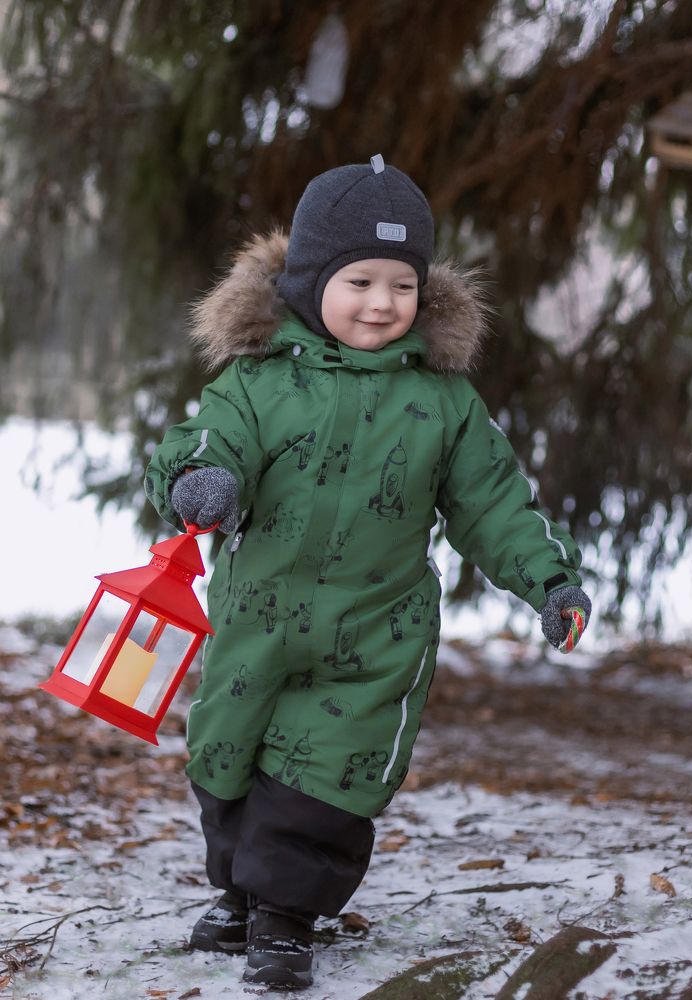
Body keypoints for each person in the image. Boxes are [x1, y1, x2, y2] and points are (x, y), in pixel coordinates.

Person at [144, 154, 591, 989]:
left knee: (327, 776)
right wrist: (201, 483)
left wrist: (550, 580)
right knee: (227, 758)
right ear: (312, 282)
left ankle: (284, 918)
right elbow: (205, 446)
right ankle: (240, 893)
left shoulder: (443, 404)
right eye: (360, 281)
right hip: (257, 623)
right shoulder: (256, 382)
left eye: (401, 284)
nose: (383, 304)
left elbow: (495, 504)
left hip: (374, 633)